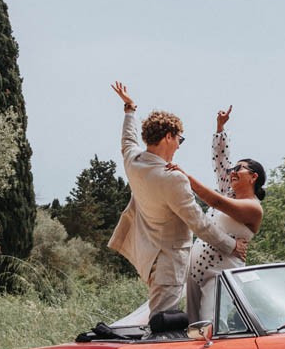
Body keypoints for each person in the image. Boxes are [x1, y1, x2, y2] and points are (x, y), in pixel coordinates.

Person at [107, 82, 248, 319]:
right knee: (162, 325)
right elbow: (199, 223)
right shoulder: (172, 179)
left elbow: (128, 141)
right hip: (168, 265)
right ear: (169, 136)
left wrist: (129, 109)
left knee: (165, 322)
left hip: (148, 257)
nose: (179, 147)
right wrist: (232, 247)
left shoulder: (133, 161)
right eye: (179, 140)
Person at [166, 105, 265, 323]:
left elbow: (215, 201)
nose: (233, 172)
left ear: (254, 177)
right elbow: (221, 163)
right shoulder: (228, 190)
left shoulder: (253, 207)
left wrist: (185, 176)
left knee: (210, 324)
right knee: (193, 327)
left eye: (240, 169)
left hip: (220, 276)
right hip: (194, 271)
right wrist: (220, 129)